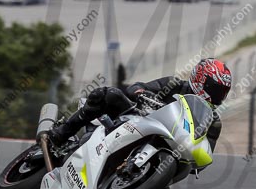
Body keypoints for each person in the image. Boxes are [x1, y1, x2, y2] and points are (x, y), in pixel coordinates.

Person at [48, 58, 232, 150]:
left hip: (161, 149)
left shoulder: (212, 122)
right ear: (201, 80)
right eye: (216, 90)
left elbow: (205, 154)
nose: (218, 96)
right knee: (109, 94)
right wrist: (142, 94)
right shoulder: (174, 85)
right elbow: (137, 87)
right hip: (134, 120)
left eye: (223, 92)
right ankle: (63, 133)